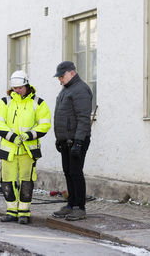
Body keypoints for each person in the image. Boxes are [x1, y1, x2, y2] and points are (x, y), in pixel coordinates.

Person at [0, 70, 51, 224]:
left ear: (26, 85)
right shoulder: (5, 102)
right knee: (7, 181)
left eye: (20, 87)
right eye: (14, 88)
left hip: (28, 151)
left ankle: (24, 213)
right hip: (9, 150)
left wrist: (29, 135)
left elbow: (45, 125)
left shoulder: (38, 103)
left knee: (27, 181)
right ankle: (11, 211)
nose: (17, 90)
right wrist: (12, 137)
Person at [52, 61, 92, 221]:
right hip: (66, 140)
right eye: (59, 77)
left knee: (76, 173)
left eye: (62, 76)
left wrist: (79, 141)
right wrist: (60, 138)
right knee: (68, 172)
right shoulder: (66, 89)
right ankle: (70, 205)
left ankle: (79, 208)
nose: (60, 80)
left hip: (77, 140)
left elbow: (83, 118)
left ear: (72, 73)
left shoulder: (80, 89)